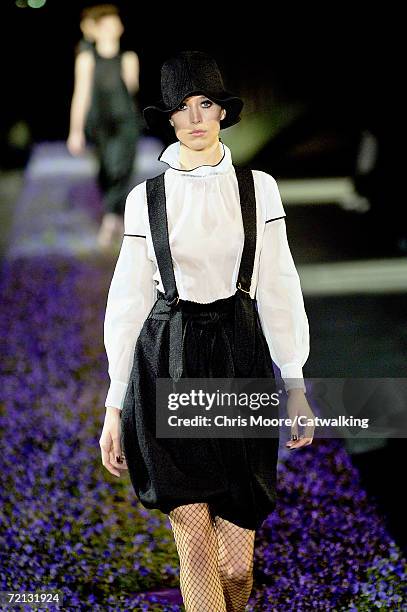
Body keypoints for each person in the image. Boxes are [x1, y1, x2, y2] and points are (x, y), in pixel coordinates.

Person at [100, 50, 315, 611]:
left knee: (237, 566)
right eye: (182, 107)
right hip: (168, 360)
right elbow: (127, 303)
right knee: (194, 542)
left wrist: (294, 382)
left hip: (239, 359)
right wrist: (114, 408)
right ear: (168, 119)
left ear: (222, 112)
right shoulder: (146, 200)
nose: (195, 117)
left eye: (206, 104)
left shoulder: (258, 189)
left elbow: (278, 282)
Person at [67, 4, 141, 249]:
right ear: (95, 30)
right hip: (100, 123)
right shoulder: (87, 58)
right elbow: (81, 95)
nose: (112, 28)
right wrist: (75, 131)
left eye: (114, 22)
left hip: (126, 120)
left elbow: (131, 91)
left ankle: (111, 218)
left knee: (123, 166)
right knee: (107, 168)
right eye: (105, 24)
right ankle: (115, 214)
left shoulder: (129, 58)